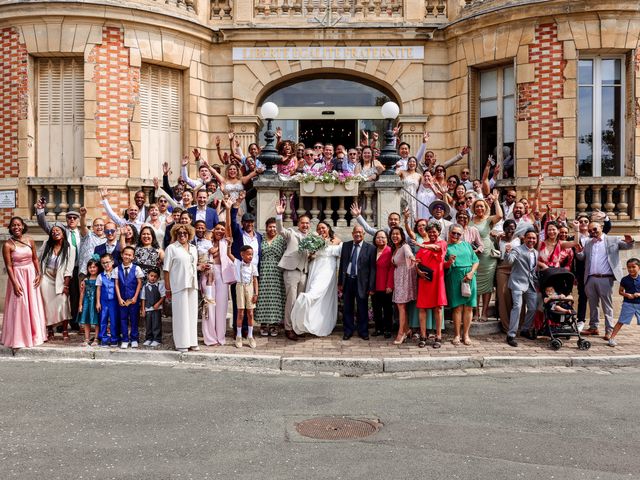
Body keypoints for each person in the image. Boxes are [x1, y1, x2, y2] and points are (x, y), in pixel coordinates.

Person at [577, 222, 634, 339]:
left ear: (601, 228)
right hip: (590, 278)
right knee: (593, 305)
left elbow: (627, 246)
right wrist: (578, 251)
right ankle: (593, 327)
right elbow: (582, 257)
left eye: (594, 229)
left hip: (605, 278)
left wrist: (630, 241)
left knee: (607, 306)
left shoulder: (613, 239)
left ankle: (609, 330)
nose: (592, 232)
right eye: (590, 230)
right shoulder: (588, 242)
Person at [36, 200, 82, 331]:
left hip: (78, 269)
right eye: (69, 218)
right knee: (62, 297)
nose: (72, 219)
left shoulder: (83, 233)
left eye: (74, 217)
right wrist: (40, 210)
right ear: (66, 220)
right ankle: (61, 325)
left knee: (74, 297)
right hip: (61, 270)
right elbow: (43, 223)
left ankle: (74, 322)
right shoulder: (61, 231)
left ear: (78, 220)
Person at [291, 221, 343, 337]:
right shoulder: (313, 240)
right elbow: (308, 256)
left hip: (328, 270)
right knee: (314, 291)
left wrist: (329, 240)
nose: (321, 230)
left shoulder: (336, 240)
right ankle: (305, 313)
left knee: (325, 296)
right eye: (319, 228)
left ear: (328, 228)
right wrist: (312, 251)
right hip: (315, 268)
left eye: (323, 228)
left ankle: (321, 324)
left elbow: (338, 248)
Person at [1, 216, 46, 349]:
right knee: (21, 305)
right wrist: (14, 283)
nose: (16, 227)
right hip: (18, 277)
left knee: (33, 304)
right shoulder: (8, 245)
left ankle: (35, 334)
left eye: (18, 225)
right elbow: (9, 266)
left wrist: (39, 273)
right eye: (13, 225)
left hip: (31, 275)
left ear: (23, 226)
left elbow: (35, 259)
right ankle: (19, 337)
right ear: (10, 228)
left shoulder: (30, 240)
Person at [275, 201, 310, 341]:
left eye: (307, 223)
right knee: (291, 300)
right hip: (291, 270)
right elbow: (280, 230)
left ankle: (297, 327)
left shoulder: (312, 237)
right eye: (302, 223)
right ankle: (288, 328)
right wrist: (279, 215)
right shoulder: (291, 234)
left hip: (304, 271)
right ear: (298, 224)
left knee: (300, 301)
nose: (305, 225)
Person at [164, 224, 199, 353]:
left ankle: (192, 342)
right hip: (178, 285)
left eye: (185, 233)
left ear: (189, 234)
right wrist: (168, 289)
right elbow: (166, 270)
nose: (182, 235)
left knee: (192, 314)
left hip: (192, 285)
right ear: (175, 234)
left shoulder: (194, 248)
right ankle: (181, 343)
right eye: (179, 233)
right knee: (180, 315)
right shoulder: (171, 248)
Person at [505, 230, 545, 346]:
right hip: (517, 282)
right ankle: (511, 335)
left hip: (531, 284)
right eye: (529, 238)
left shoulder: (536, 253)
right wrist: (508, 252)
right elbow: (510, 261)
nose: (531, 240)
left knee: (532, 308)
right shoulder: (517, 249)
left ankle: (525, 330)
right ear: (524, 238)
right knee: (517, 307)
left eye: (534, 238)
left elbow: (533, 270)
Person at [338, 226, 376, 340]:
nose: (357, 234)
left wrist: (371, 286)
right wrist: (340, 282)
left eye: (360, 232)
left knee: (362, 307)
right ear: (352, 233)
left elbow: (372, 269)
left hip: (362, 282)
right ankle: (348, 331)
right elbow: (342, 265)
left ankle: (363, 331)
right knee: (347, 307)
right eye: (356, 232)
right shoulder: (346, 246)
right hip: (348, 280)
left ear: (363, 234)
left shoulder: (370, 248)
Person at [444, 224, 479, 346]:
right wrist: (449, 262)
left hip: (469, 277)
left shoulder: (467, 245)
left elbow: (475, 261)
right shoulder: (446, 247)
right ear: (449, 233)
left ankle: (466, 334)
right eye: (453, 233)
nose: (456, 236)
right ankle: (457, 335)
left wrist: (471, 273)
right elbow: (443, 265)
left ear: (462, 234)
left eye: (458, 234)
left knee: (469, 307)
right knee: (457, 307)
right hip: (454, 277)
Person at [40, 225, 76, 341]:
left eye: (58, 230)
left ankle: (65, 329)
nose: (55, 232)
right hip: (46, 277)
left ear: (63, 233)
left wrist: (66, 285)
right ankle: (50, 330)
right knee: (47, 305)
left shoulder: (71, 248)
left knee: (63, 303)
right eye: (53, 231)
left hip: (60, 279)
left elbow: (69, 269)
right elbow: (37, 258)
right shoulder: (46, 244)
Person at [415, 222, 447, 348]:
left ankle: (438, 336)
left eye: (434, 231)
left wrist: (421, 245)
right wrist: (418, 271)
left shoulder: (442, 243)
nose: (432, 234)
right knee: (422, 308)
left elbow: (436, 248)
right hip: (424, 279)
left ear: (439, 232)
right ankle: (423, 336)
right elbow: (417, 262)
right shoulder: (423, 246)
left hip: (437, 281)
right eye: (430, 232)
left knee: (438, 308)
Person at [471, 196, 503, 322]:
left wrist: (496, 200)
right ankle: (476, 312)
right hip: (474, 255)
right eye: (477, 206)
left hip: (487, 256)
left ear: (485, 208)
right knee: (475, 284)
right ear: (474, 208)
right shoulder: (470, 220)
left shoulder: (489, 219)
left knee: (487, 285)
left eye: (482, 206)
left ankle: (484, 312)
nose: (479, 208)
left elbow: (499, 215)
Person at [255, 217, 286, 337]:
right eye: (270, 226)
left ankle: (274, 324)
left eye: (274, 226)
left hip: (277, 271)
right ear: (266, 227)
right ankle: (263, 323)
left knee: (276, 297)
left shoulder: (282, 239)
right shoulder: (260, 238)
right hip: (263, 270)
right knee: (263, 297)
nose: (272, 229)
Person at [390, 226, 417, 345]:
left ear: (402, 236)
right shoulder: (394, 249)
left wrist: (413, 258)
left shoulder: (405, 246)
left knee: (401, 306)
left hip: (404, 279)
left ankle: (401, 333)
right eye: (393, 234)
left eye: (397, 234)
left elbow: (409, 254)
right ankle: (407, 329)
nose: (395, 236)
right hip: (398, 278)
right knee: (401, 306)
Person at [115, 246, 144, 349]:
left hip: (133, 300)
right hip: (122, 299)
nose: (127, 256)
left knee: (134, 319)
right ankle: (125, 339)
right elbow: (116, 284)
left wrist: (136, 297)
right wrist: (119, 298)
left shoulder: (137, 268)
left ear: (133, 257)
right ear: (122, 255)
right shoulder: (117, 269)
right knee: (123, 319)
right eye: (125, 254)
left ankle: (134, 338)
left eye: (129, 255)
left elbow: (139, 283)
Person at [494, 219, 521, 333]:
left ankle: (516, 324)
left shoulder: (519, 239)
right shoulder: (499, 239)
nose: (510, 230)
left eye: (512, 228)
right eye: (508, 228)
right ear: (504, 229)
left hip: (515, 268)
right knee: (503, 294)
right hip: (502, 268)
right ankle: (506, 325)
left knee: (514, 296)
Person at [608, 258, 640, 347]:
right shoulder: (624, 279)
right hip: (628, 304)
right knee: (621, 321)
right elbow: (620, 291)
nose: (631, 269)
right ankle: (611, 338)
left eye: (633, 267)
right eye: (629, 267)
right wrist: (627, 295)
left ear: (639, 267)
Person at [233, 245, 260, 349]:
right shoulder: (238, 263)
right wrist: (230, 245)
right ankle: (239, 336)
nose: (250, 256)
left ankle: (250, 336)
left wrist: (256, 293)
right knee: (240, 312)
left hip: (250, 288)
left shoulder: (253, 266)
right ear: (242, 254)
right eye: (248, 254)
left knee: (250, 312)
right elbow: (229, 255)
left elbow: (255, 280)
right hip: (240, 286)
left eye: (252, 254)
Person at [372, 230, 394, 338]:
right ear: (375, 239)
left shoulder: (390, 251)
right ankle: (378, 329)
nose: (380, 239)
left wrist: (390, 285)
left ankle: (388, 329)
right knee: (376, 309)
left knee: (387, 309)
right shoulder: (372, 251)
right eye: (378, 237)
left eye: (383, 237)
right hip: (374, 285)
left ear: (387, 239)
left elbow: (392, 269)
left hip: (386, 285)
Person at [96, 253, 120, 347]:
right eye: (103, 263)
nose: (106, 265)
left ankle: (114, 339)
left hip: (114, 301)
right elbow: (98, 289)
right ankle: (104, 339)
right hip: (104, 301)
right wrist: (98, 302)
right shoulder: (100, 276)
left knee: (114, 320)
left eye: (107, 262)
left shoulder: (117, 274)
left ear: (112, 262)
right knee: (103, 319)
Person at [141, 267, 165, 348]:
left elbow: (163, 296)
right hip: (148, 309)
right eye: (151, 276)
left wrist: (158, 304)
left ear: (158, 278)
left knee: (156, 324)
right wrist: (143, 309)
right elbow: (143, 298)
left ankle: (157, 339)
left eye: (155, 276)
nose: (153, 278)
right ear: (148, 276)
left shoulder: (159, 285)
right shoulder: (145, 286)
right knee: (148, 324)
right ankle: (149, 338)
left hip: (156, 309)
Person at [77, 259, 100, 346]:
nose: (92, 269)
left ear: (98, 268)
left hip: (96, 302)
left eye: (94, 267)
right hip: (87, 302)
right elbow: (82, 293)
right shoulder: (85, 279)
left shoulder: (99, 277)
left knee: (96, 320)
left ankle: (96, 338)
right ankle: (86, 338)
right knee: (87, 320)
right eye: (90, 267)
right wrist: (80, 304)